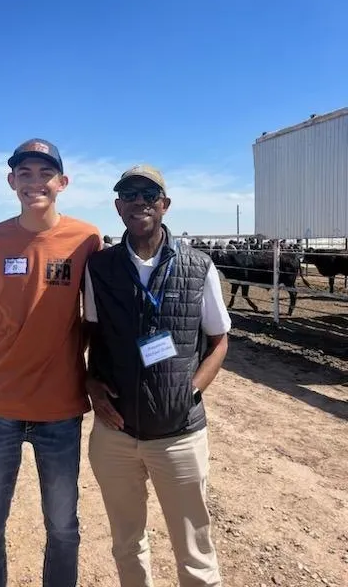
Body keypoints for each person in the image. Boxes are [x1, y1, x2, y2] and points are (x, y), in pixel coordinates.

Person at [84, 165, 231, 587]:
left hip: (179, 434)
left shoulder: (198, 265)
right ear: (117, 207)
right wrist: (91, 384)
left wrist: (192, 390)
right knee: (127, 543)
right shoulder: (100, 267)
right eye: (128, 195)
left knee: (195, 549)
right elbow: (92, 334)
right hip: (116, 437)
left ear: (164, 205)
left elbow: (219, 341)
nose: (139, 202)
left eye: (149, 195)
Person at [0, 138, 100, 587]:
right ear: (11, 182)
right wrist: (9, 354)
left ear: (62, 183)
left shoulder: (87, 239)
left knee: (63, 528)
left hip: (60, 410)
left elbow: (95, 317)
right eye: (24, 174)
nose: (34, 182)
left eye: (45, 173)